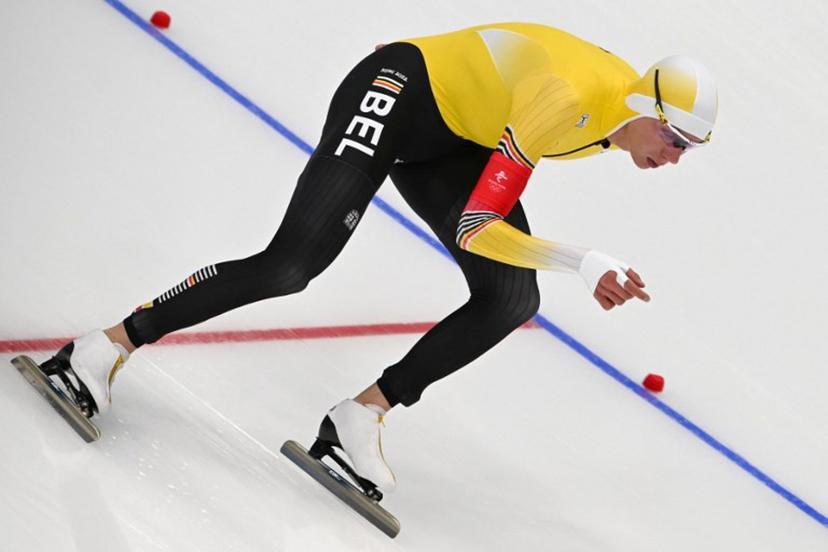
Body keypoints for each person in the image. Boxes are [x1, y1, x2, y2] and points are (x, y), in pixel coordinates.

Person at [41, 22, 717, 494]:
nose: (676, 157)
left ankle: (359, 416)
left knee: (511, 298)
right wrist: (582, 260)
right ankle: (101, 348)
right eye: (676, 139)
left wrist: (574, 263)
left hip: (456, 139)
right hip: (395, 92)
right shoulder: (568, 99)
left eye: (691, 148)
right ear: (645, 106)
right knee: (291, 265)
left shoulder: (613, 117)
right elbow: (481, 227)